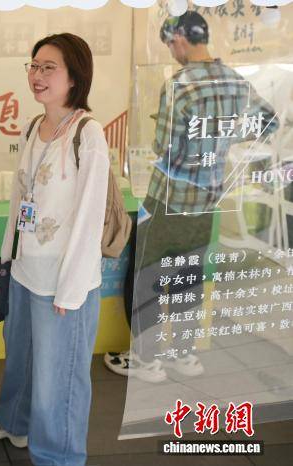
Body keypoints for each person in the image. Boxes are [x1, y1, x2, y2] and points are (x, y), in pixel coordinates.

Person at [111, 11, 279, 383]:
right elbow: (270, 120)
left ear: (180, 39)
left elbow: (164, 148)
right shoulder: (235, 79)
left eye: (170, 45)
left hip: (167, 201)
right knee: (188, 277)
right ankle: (184, 355)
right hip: (206, 202)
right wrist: (224, 141)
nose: (172, 53)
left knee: (145, 278)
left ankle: (147, 360)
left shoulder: (180, 85)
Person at [0, 33, 109, 465]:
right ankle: (15, 423)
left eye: (48, 67)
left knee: (59, 379)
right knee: (21, 359)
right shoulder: (36, 126)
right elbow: (21, 201)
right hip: (24, 271)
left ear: (74, 77)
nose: (37, 75)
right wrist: (8, 261)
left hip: (62, 284)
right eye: (34, 66)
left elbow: (89, 219)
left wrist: (70, 291)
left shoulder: (88, 134)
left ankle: (58, 457)